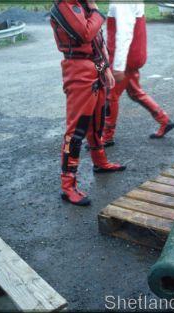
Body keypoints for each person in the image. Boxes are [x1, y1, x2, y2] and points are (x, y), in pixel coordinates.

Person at [50, 0, 126, 206]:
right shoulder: (66, 4)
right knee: (76, 131)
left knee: (97, 122)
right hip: (78, 70)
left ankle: (100, 163)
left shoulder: (80, 5)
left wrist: (105, 68)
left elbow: (96, 42)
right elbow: (86, 34)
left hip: (93, 68)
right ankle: (68, 187)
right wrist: (94, 9)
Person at [103, 2, 174, 147]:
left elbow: (124, 33)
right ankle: (164, 119)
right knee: (135, 92)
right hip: (131, 56)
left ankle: (107, 136)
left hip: (126, 58)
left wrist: (118, 66)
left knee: (110, 95)